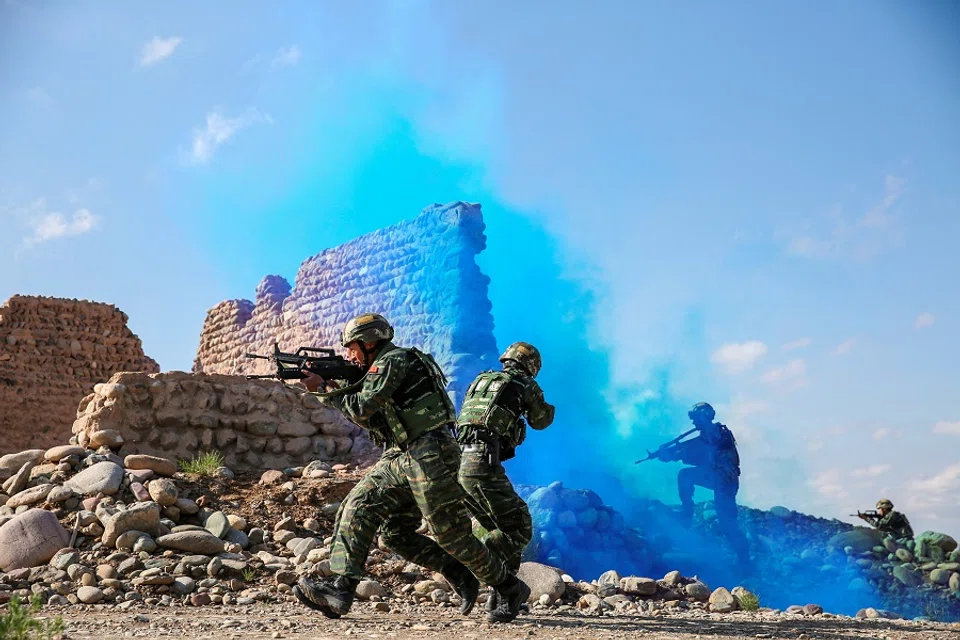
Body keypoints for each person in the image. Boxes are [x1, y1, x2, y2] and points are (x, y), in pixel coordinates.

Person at [293, 313, 530, 623]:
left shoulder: (393, 360)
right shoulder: (376, 368)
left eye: (351, 347)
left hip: (431, 452)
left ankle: (509, 587)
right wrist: (332, 383)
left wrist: (323, 388)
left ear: (369, 343)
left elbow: (363, 408)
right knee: (371, 515)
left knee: (451, 534)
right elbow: (366, 405)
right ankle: (342, 589)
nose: (348, 355)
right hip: (401, 454)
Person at [456, 341, 555, 612]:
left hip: (460, 463)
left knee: (501, 527)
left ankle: (502, 597)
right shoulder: (523, 383)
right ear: (531, 365)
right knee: (519, 525)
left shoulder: (482, 379)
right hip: (482, 465)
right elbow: (541, 421)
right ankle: (468, 565)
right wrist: (548, 407)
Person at [655, 402, 749, 564]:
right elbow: (698, 453)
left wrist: (674, 454)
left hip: (725, 482)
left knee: (728, 523)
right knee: (685, 475)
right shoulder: (709, 435)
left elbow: (699, 452)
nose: (694, 422)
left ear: (705, 416)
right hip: (717, 478)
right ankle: (687, 513)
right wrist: (673, 453)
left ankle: (745, 562)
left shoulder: (717, 434)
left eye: (696, 418)